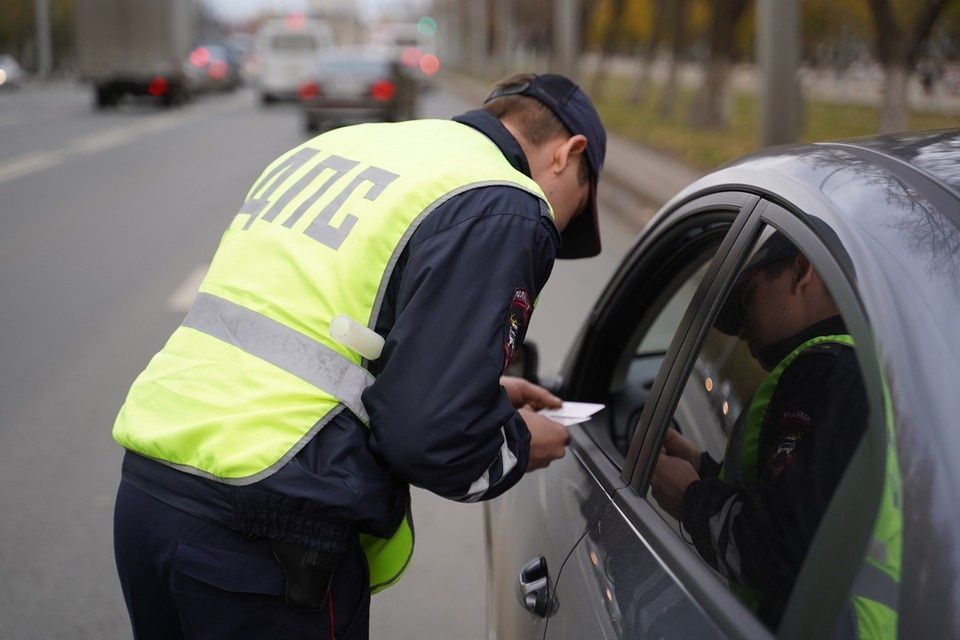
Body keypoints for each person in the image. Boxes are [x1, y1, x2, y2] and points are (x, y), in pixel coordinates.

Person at [110, 72, 606, 639]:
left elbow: (329, 331)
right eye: (578, 208)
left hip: (152, 489)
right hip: (267, 532)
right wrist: (516, 444)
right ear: (570, 154)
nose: (560, 226)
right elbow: (430, 436)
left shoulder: (344, 147)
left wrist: (482, 397)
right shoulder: (505, 201)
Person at [650, 232, 869, 631]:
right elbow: (805, 504)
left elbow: (781, 545)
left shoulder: (828, 372)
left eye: (748, 298)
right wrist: (703, 466)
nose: (740, 331)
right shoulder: (853, 368)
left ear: (802, 271)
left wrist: (690, 499)